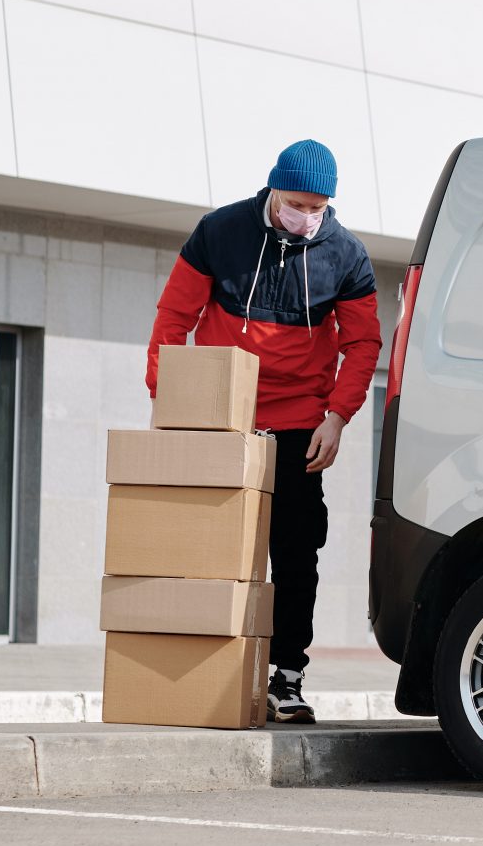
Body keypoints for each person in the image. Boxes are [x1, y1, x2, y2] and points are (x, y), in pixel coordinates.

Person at [148, 139, 381, 724]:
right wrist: (170, 394)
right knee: (207, 550)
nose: (309, 217)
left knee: (297, 554)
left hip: (302, 422)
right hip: (223, 416)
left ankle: (288, 677)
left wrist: (338, 416)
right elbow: (175, 317)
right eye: (299, 204)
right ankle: (197, 667)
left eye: (320, 207)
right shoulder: (219, 232)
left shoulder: (347, 255)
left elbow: (363, 344)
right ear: (274, 192)